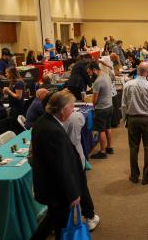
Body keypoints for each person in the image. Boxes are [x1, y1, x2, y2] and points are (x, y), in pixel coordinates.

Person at [30, 90, 86, 239]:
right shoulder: (54, 130)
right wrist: (73, 194)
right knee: (60, 223)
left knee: (53, 219)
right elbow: (61, 167)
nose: (73, 110)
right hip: (57, 190)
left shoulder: (42, 121)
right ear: (62, 110)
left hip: (48, 185)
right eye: (71, 107)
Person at [62, 109, 100, 231]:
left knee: (72, 190)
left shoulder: (51, 122)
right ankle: (90, 217)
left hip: (70, 161)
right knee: (82, 189)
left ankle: (68, 220)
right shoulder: (76, 117)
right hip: (75, 160)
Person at [121, 63, 148, 185]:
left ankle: (134, 175)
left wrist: (125, 119)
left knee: (133, 148)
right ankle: (146, 176)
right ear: (147, 72)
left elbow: (123, 105)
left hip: (132, 119)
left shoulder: (127, 85)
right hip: (146, 119)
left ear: (137, 71)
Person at [88, 61, 113, 159]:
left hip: (101, 108)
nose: (89, 75)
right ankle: (110, 147)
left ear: (94, 70)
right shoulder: (106, 75)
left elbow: (94, 99)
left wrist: (92, 106)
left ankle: (102, 152)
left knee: (101, 130)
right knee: (108, 127)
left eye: (89, 72)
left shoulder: (98, 81)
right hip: (109, 106)